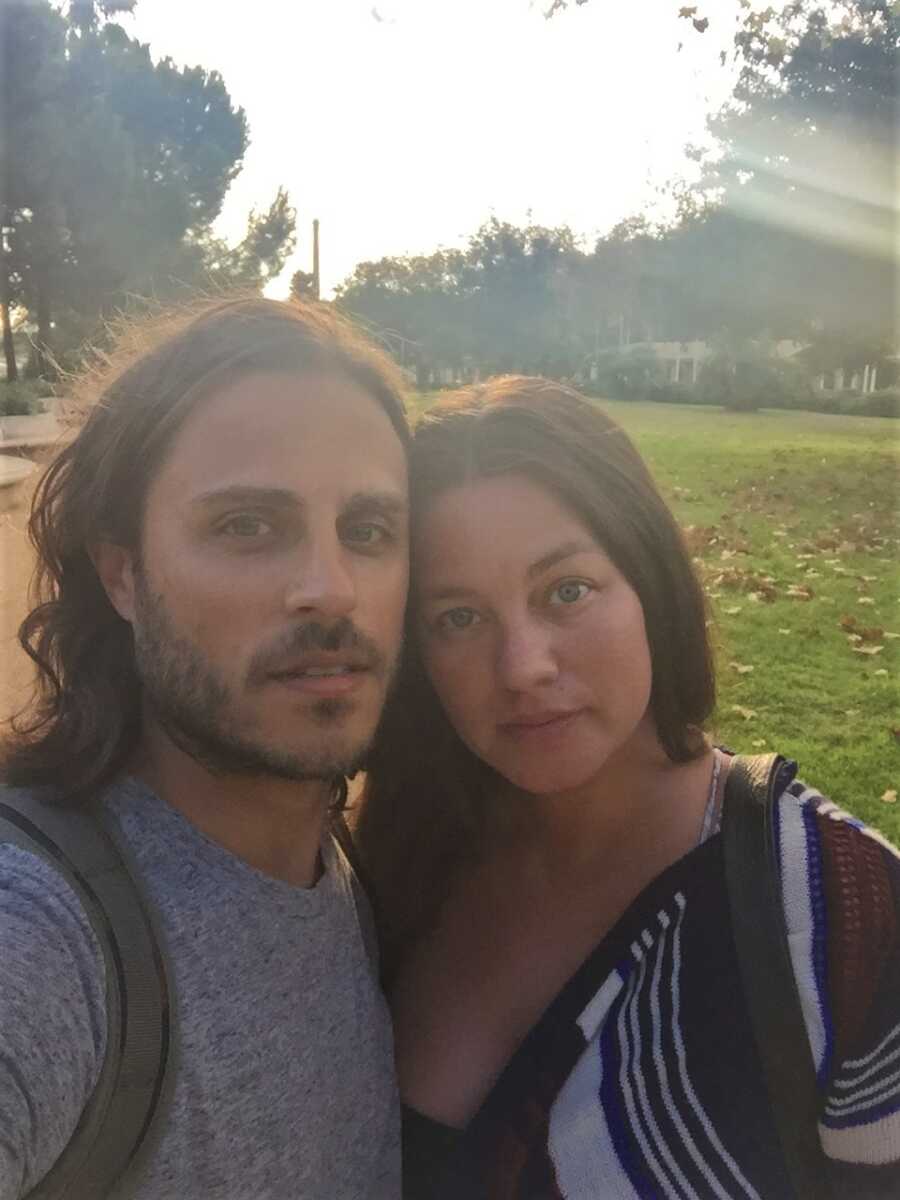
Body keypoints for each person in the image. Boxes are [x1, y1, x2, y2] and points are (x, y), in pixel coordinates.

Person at [355, 376, 900, 1199]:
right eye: (458, 618)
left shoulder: (843, 912)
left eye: (566, 591)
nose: (523, 667)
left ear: (651, 582)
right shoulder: (387, 857)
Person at [0, 297, 410, 1199]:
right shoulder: (45, 931)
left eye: (370, 531)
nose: (330, 589)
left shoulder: (347, 871)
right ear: (122, 575)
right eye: (246, 526)